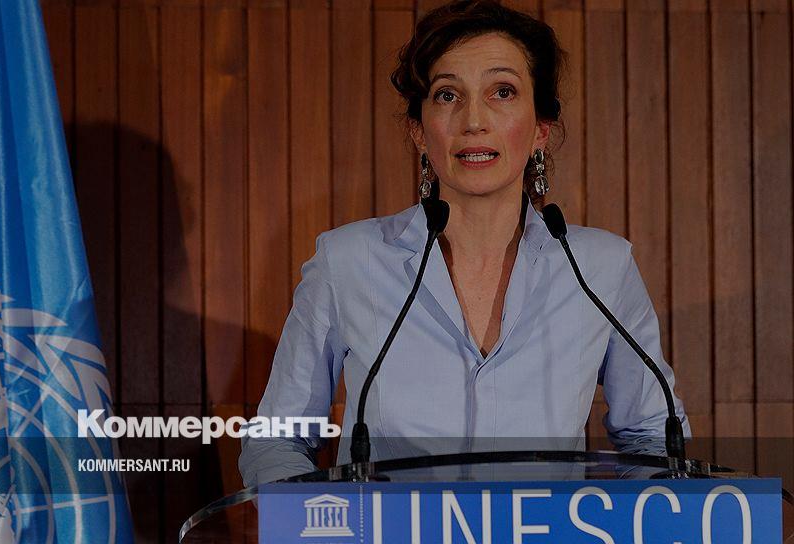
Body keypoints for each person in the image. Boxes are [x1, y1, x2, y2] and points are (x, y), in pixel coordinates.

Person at [239, 0, 690, 488]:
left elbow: (652, 438)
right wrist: (317, 520)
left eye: (502, 92)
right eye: (448, 95)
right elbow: (276, 439)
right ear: (418, 130)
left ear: (541, 129)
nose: (474, 119)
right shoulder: (347, 261)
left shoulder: (602, 268)